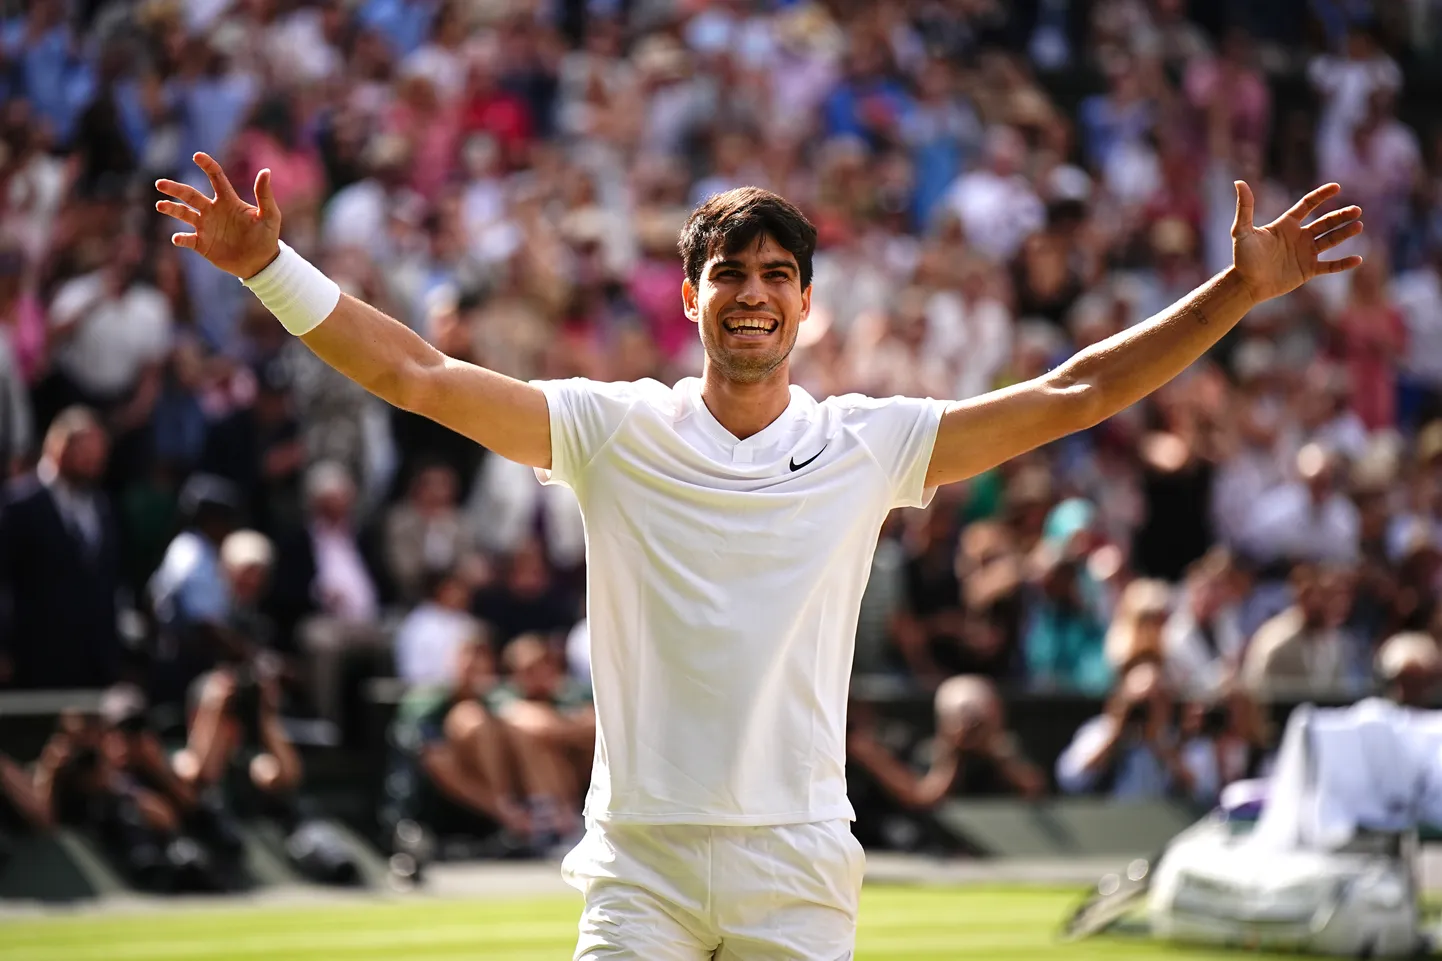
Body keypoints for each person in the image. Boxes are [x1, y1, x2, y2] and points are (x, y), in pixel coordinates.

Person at [158, 151, 1362, 960]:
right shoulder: (607, 428)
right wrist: (270, 264)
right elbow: (413, 374)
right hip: (639, 862)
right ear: (689, 295)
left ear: (804, 308)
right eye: (729, 272)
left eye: (777, 276)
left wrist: (1232, 294)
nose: (753, 293)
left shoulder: (866, 443)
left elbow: (1074, 388)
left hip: (797, 860)